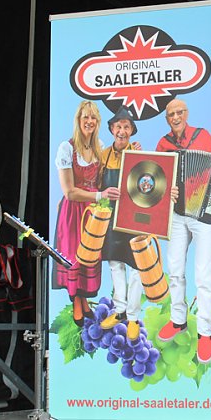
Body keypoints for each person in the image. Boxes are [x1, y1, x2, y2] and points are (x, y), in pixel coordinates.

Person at [154, 98, 211, 365]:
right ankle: (178, 321)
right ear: (166, 118)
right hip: (176, 214)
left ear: (186, 113)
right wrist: (166, 192)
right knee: (174, 270)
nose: (175, 116)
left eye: (179, 112)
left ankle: (205, 333)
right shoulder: (162, 145)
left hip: (203, 214)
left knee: (203, 275)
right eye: (171, 114)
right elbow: (155, 181)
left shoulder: (203, 136)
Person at [54, 100, 120, 325]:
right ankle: (77, 305)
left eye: (93, 118)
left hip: (93, 213)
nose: (89, 121)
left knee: (89, 256)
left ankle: (82, 302)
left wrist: (131, 149)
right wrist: (100, 196)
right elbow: (70, 192)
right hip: (74, 211)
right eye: (86, 117)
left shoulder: (99, 146)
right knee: (74, 256)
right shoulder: (67, 148)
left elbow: (104, 177)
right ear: (78, 120)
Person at [97, 106, 144, 341]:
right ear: (112, 129)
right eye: (118, 126)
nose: (122, 130)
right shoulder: (103, 156)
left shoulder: (139, 153)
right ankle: (119, 311)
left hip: (134, 216)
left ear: (132, 131)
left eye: (127, 126)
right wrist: (104, 193)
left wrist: (142, 160)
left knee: (137, 268)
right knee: (115, 263)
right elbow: (96, 187)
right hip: (112, 216)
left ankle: (133, 317)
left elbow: (148, 184)